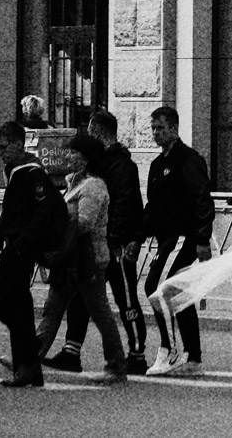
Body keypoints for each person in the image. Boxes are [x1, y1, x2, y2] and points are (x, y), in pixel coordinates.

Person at [46, 109, 148, 375]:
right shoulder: (99, 166)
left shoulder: (121, 164)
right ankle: (71, 352)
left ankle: (136, 355)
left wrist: (121, 239)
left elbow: (124, 205)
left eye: (90, 132)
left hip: (115, 246)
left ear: (98, 132)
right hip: (94, 248)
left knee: (124, 300)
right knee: (82, 300)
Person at [32, 134, 128, 384]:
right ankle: (29, 360)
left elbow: (85, 222)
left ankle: (116, 365)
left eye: (73, 152)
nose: (68, 156)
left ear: (85, 159)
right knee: (52, 309)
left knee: (100, 313)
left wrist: (56, 227)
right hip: (71, 258)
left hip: (88, 260)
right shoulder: (74, 183)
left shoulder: (93, 186)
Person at [0, 121, 64, 388]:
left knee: (5, 304)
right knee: (18, 307)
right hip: (14, 245)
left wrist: (21, 244)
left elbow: (41, 214)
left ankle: (28, 356)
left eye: (4, 147)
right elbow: (9, 217)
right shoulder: (16, 171)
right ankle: (29, 367)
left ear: (17, 144)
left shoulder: (31, 172)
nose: (1, 152)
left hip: (21, 248)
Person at [142, 105, 214, 377]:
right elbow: (153, 206)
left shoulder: (189, 160)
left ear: (174, 128)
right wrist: (137, 236)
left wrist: (203, 238)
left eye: (161, 128)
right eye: (153, 128)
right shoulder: (157, 164)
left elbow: (202, 198)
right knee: (177, 293)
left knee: (160, 288)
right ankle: (192, 357)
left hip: (185, 237)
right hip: (166, 238)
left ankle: (169, 350)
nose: (156, 133)